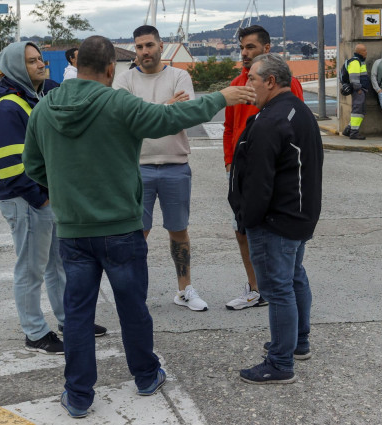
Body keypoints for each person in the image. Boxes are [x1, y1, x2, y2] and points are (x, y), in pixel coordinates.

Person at [22, 36, 254, 418]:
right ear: (112, 69)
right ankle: (146, 376)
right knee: (133, 308)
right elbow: (169, 119)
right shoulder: (118, 103)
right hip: (121, 230)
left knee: (77, 315)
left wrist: (65, 190)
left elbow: (32, 165)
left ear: (77, 66)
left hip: (73, 232)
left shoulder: (45, 108)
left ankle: (79, 395)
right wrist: (220, 97)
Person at [0, 41, 107, 357]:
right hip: (25, 200)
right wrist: (41, 199)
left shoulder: (33, 96)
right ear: (14, 68)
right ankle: (35, 333)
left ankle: (70, 321)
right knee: (30, 270)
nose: (41, 64)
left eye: (40, 59)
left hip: (42, 199)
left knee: (57, 266)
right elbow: (10, 167)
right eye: (32, 61)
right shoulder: (6, 109)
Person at [228, 53, 323, 384]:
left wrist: (246, 219)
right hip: (299, 215)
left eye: (252, 79)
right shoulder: (298, 110)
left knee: (278, 288)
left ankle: (281, 362)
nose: (247, 84)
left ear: (270, 81)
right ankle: (298, 343)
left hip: (276, 220)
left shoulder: (271, 121)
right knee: (294, 277)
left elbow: (258, 182)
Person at [113, 25, 206, 311]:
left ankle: (184, 289)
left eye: (149, 45)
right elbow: (125, 120)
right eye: (139, 47)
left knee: (179, 231)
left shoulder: (179, 75)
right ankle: (134, 294)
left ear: (161, 46)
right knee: (137, 235)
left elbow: (185, 116)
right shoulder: (124, 79)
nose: (145, 52)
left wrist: (146, 111)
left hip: (175, 165)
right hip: (137, 168)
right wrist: (167, 106)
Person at [222, 25, 305, 311]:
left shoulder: (283, 83)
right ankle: (256, 287)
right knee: (241, 229)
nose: (244, 53)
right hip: (242, 172)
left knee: (271, 231)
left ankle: (276, 284)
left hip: (271, 173)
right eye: (242, 48)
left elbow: (296, 127)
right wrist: (230, 160)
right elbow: (229, 127)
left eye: (251, 48)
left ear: (266, 48)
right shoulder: (236, 83)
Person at [342, 44, 370, 140]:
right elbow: (354, 78)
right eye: (364, 50)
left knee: (360, 111)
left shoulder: (360, 61)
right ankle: (354, 132)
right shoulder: (355, 62)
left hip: (361, 90)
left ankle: (348, 129)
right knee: (357, 111)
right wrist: (358, 89)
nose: (366, 52)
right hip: (358, 90)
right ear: (360, 52)